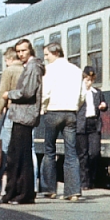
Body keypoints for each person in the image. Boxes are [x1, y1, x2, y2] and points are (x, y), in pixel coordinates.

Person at [38, 41, 85, 200]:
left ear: (55, 53)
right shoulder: (76, 70)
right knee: (71, 152)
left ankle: (49, 189)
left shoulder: (48, 70)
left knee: (49, 150)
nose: (45, 58)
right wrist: (75, 107)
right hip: (70, 113)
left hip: (53, 111)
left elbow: (45, 92)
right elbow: (82, 94)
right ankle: (73, 192)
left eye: (47, 55)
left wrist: (43, 108)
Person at [0, 39, 43, 204]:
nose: (20, 54)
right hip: (22, 115)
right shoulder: (30, 67)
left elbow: (27, 92)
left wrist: (9, 94)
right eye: (18, 51)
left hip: (24, 116)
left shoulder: (32, 67)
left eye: (23, 50)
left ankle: (22, 194)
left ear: (30, 50)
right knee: (17, 155)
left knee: (19, 157)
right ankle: (16, 192)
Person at [0, 46, 23, 194]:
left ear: (9, 59)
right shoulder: (28, 70)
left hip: (12, 112)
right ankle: (31, 185)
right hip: (27, 114)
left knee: (3, 150)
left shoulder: (9, 71)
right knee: (28, 150)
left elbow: (3, 94)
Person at [75, 66, 108, 190]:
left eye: (91, 80)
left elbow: (104, 104)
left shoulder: (97, 93)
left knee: (94, 153)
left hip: (94, 124)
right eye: (86, 80)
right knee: (82, 154)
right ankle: (84, 182)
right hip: (81, 124)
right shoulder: (78, 93)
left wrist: (104, 106)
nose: (89, 83)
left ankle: (92, 178)